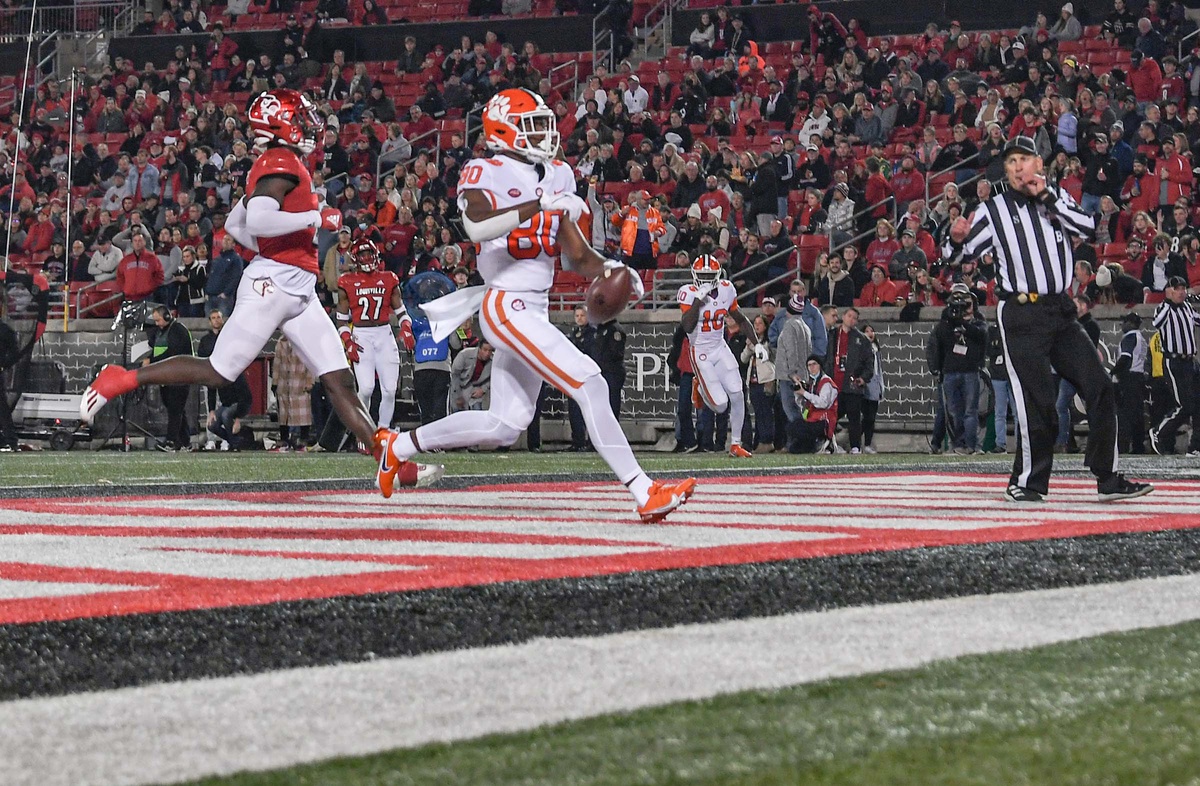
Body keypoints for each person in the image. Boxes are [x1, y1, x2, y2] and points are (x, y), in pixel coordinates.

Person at [80, 89, 440, 494]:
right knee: (219, 371)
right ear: (279, 125)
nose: (308, 126)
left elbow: (237, 227)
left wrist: (291, 232)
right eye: (299, 118)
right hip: (275, 284)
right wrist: (313, 216)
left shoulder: (279, 163)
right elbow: (261, 219)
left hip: (296, 287)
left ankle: (387, 461)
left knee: (340, 381)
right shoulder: (280, 163)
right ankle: (123, 378)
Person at [378, 88, 696, 522]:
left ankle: (397, 446)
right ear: (503, 130)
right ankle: (643, 491)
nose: (545, 133)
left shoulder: (558, 174)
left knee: (505, 425)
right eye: (533, 125)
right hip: (505, 303)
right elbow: (474, 224)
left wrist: (613, 269)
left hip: (535, 306)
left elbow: (578, 254)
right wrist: (534, 205)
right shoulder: (482, 169)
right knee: (591, 382)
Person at [945, 135, 1151, 502]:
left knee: (1099, 383)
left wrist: (1048, 197)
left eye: (1025, 159)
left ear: (1038, 164)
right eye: (1012, 162)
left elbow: (1087, 228)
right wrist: (955, 237)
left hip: (1060, 309)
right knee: (1036, 398)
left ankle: (1108, 476)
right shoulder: (994, 210)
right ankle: (1026, 481)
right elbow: (958, 257)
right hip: (1021, 312)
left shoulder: (1054, 196)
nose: (1019, 167)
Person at [678, 254, 767, 458]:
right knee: (720, 405)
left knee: (737, 393)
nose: (706, 279)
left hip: (719, 346)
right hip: (700, 350)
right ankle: (699, 387)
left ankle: (735, 444)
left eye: (710, 275)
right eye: (702, 275)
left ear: (718, 275)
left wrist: (757, 344)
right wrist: (698, 302)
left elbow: (740, 318)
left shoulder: (727, 289)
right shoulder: (688, 292)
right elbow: (687, 326)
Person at [336, 238, 414, 430]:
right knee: (366, 389)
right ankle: (364, 431)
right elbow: (341, 319)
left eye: (369, 254)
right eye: (362, 255)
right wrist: (348, 341)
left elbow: (402, 312)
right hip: (362, 335)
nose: (366, 258)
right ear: (355, 258)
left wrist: (406, 328)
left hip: (384, 334)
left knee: (389, 390)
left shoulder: (389, 278)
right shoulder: (346, 281)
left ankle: (383, 430)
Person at [928, 285, 987, 455]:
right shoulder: (945, 324)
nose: (963, 309)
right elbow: (938, 343)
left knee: (970, 410)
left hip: (970, 371)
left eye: (966, 304)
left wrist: (963, 324)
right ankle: (957, 444)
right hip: (950, 371)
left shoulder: (978, 321)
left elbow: (981, 335)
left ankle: (972, 445)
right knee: (953, 412)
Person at [1149, 277, 1200, 456]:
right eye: (1177, 289)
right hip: (1174, 361)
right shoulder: (1164, 308)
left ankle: (1195, 446)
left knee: (1197, 403)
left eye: (1183, 288)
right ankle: (1158, 432)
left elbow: (1198, 319)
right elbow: (1156, 323)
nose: (1181, 292)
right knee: (1183, 405)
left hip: (1190, 361)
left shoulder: (1187, 307)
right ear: (1169, 291)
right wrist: (1169, 302)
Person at [824, 306, 873, 454]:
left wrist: (864, 378)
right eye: (849, 316)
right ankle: (829, 445)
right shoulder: (832, 335)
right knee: (831, 417)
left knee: (854, 418)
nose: (852, 320)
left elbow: (869, 363)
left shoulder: (862, 339)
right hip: (834, 384)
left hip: (852, 385)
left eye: (855, 318)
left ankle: (855, 446)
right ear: (843, 316)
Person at [144, 306, 194, 451]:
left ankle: (171, 441)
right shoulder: (161, 331)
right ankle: (185, 442)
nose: (157, 324)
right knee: (176, 410)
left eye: (158, 320)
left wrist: (151, 361)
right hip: (166, 377)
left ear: (166, 316)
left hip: (180, 377)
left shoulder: (178, 330)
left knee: (175, 409)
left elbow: (173, 354)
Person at [1112, 312, 1148, 455]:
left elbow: (1125, 359)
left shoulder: (1130, 337)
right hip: (1138, 378)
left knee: (1124, 415)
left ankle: (1123, 447)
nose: (1122, 325)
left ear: (1132, 324)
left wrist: (1113, 372)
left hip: (1128, 378)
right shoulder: (1141, 338)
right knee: (1137, 414)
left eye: (1125, 322)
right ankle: (1138, 446)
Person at [787, 355, 838, 453]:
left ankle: (823, 442)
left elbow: (823, 403)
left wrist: (805, 393)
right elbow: (802, 404)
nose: (812, 367)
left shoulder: (826, 382)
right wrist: (799, 392)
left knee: (796, 428)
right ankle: (814, 444)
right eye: (809, 365)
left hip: (824, 421)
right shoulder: (811, 382)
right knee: (794, 446)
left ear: (820, 366)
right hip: (812, 418)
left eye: (814, 364)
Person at [986, 322, 1016, 454]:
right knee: (1000, 412)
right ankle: (1000, 444)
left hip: (1013, 375)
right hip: (998, 375)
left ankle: (1020, 443)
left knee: (1017, 412)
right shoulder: (992, 331)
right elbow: (988, 350)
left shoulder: (1015, 328)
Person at [567, 305, 594, 451]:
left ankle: (590, 442)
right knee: (574, 410)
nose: (579, 318)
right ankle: (577, 441)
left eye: (582, 315)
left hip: (586, 377)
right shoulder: (573, 333)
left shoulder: (592, 333)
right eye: (577, 316)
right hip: (574, 377)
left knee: (588, 411)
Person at [592, 315, 627, 420]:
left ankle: (612, 433)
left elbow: (616, 353)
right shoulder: (598, 329)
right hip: (601, 372)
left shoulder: (615, 330)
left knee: (612, 405)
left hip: (612, 372)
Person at [451, 340, 493, 412]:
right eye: (485, 350)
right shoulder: (464, 355)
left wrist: (483, 389)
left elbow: (494, 378)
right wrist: (458, 396)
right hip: (459, 388)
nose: (487, 353)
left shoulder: (493, 361)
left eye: (490, 351)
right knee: (458, 416)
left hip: (476, 390)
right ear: (479, 348)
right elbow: (455, 375)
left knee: (477, 414)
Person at [861, 323, 884, 454]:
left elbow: (879, 371)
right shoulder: (862, 349)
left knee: (871, 417)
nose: (870, 333)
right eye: (867, 331)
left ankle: (868, 443)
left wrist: (881, 387)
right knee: (866, 416)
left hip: (875, 387)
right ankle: (855, 441)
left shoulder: (876, 350)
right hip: (865, 386)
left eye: (872, 331)